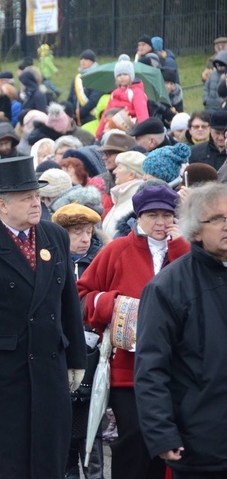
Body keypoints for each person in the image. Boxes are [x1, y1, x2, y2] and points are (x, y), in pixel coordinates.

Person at [0, 155, 86, 478]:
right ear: (2, 205)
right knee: (8, 463)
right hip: (2, 375)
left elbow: (68, 299)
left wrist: (77, 358)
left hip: (49, 368)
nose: (35, 204)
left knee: (50, 460)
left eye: (38, 196)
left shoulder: (54, 235)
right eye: (26, 198)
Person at [77, 185, 189, 479]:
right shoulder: (117, 250)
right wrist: (114, 306)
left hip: (181, 367)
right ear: (138, 217)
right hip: (128, 369)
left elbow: (196, 293)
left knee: (175, 443)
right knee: (136, 439)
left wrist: (179, 248)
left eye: (167, 215)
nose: (160, 222)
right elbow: (82, 295)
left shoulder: (187, 250)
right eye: (152, 215)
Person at [135, 182, 227, 479]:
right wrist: (162, 433)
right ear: (194, 231)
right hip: (201, 441)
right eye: (216, 219)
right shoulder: (168, 287)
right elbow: (151, 367)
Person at [52, 202, 106, 479]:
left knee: (90, 425)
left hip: (93, 355)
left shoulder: (100, 261)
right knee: (60, 431)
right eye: (77, 232)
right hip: (58, 353)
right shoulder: (50, 260)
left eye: (88, 232)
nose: (85, 239)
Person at [96, 55, 149, 140]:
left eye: (125, 74)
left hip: (130, 128)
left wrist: (143, 132)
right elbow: (106, 114)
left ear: (131, 75)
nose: (122, 77)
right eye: (119, 75)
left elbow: (142, 113)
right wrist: (98, 133)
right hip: (113, 126)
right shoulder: (114, 94)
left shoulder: (136, 92)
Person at [68, 50, 103, 126]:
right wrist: (71, 112)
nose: (83, 61)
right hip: (75, 117)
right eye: (81, 59)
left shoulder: (97, 77)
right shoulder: (77, 78)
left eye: (86, 59)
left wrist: (80, 113)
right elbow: (70, 97)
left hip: (90, 117)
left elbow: (94, 99)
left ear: (92, 62)